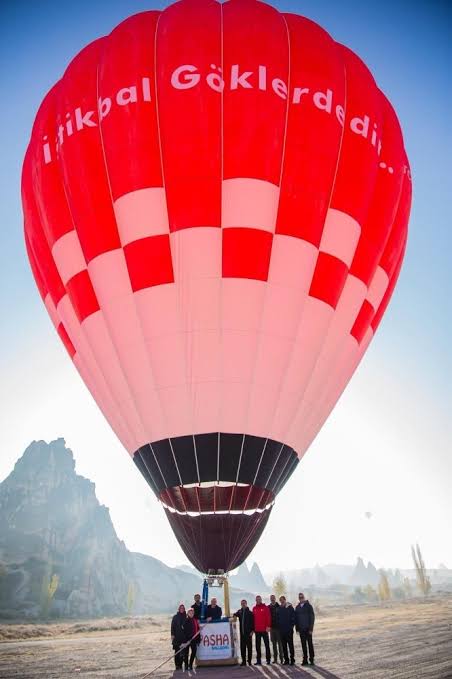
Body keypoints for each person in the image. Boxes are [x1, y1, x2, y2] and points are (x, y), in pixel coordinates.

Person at [295, 592, 315, 666]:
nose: (301, 598)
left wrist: (311, 629)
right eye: (300, 597)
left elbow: (312, 618)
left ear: (304, 597)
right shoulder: (297, 607)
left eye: (302, 597)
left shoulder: (309, 606)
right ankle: (305, 659)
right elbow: (296, 619)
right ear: (298, 598)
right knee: (303, 645)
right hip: (301, 629)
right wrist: (297, 629)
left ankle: (312, 659)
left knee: (310, 644)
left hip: (308, 629)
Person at [234, 599, 254, 666]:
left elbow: (253, 623)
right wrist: (234, 617)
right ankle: (244, 661)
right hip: (242, 634)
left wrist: (252, 631)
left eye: (244, 603)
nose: (243, 604)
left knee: (249, 648)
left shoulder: (250, 612)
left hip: (249, 633)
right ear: (241, 604)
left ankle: (250, 661)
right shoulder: (240, 611)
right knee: (242, 648)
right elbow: (235, 614)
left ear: (246, 604)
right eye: (242, 603)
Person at [252, 595, 271, 665]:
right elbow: (253, 620)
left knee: (267, 645)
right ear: (255, 600)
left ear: (261, 600)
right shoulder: (254, 608)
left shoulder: (265, 607)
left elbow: (268, 617)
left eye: (259, 599)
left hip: (264, 630)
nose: (258, 600)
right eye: (257, 599)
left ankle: (268, 660)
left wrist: (268, 626)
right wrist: (253, 629)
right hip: (257, 630)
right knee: (257, 646)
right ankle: (258, 660)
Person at [276, 595, 296, 665]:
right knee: (284, 646)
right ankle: (286, 660)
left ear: (285, 600)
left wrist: (291, 626)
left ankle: (292, 659)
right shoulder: (279, 608)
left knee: (290, 645)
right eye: (280, 600)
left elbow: (294, 617)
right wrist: (279, 626)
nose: (281, 601)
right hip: (282, 631)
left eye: (282, 599)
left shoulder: (290, 607)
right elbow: (277, 618)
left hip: (289, 630)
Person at [171, 604, 187, 670]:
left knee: (183, 653)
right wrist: (172, 635)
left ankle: (180, 665)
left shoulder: (186, 617)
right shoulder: (175, 617)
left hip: (184, 638)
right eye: (181, 608)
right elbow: (172, 627)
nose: (182, 609)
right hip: (177, 637)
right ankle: (177, 665)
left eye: (183, 608)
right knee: (177, 652)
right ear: (179, 609)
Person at [269, 593, 283, 663]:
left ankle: (282, 659)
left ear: (275, 599)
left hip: (278, 628)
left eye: (273, 598)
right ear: (270, 599)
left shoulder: (279, 606)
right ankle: (275, 659)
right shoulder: (268, 607)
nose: (272, 599)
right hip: (271, 628)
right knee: (274, 644)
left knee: (280, 644)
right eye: (271, 598)